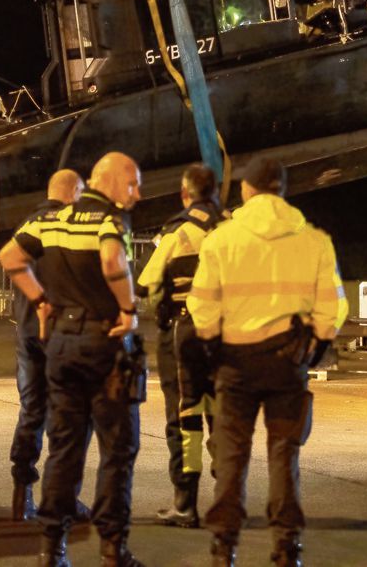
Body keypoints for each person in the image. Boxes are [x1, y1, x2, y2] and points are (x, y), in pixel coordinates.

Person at [187, 157, 348, 567]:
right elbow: (333, 307)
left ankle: (224, 546)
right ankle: (286, 547)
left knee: (231, 457)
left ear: (246, 190)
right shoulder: (315, 240)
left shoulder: (221, 239)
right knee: (284, 454)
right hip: (287, 363)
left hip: (234, 362)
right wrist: (314, 346)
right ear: (282, 190)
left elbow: (202, 305)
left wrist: (211, 347)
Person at [0, 152, 146, 567]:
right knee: (117, 451)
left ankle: (52, 549)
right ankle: (112, 549)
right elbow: (114, 261)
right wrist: (129, 310)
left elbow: (9, 257)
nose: (138, 193)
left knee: (64, 448)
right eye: (132, 183)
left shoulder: (49, 220)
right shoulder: (109, 222)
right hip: (105, 344)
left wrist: (41, 301)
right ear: (109, 181)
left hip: (61, 345)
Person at [134, 163, 225, 529]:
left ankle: (185, 503)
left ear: (185, 194)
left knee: (184, 417)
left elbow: (144, 283)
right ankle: (228, 497)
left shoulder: (176, 231)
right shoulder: (231, 227)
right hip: (227, 334)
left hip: (183, 334)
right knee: (222, 414)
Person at [2, 169, 84, 521]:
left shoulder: (28, 225)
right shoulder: (65, 226)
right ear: (71, 192)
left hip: (26, 335)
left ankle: (23, 494)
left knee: (31, 410)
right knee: (68, 416)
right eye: (79, 193)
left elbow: (9, 260)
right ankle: (62, 498)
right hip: (59, 336)